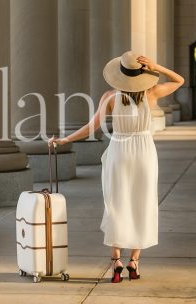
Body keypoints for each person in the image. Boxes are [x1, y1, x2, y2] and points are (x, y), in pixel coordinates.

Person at [49, 51, 184, 283]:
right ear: (142, 74)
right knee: (142, 203)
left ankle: (116, 261)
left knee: (116, 203)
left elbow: (92, 127)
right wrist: (156, 66)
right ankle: (134, 261)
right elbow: (179, 80)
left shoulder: (110, 97)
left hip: (119, 151)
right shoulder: (151, 94)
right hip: (144, 153)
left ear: (120, 75)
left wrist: (64, 140)